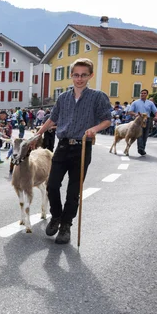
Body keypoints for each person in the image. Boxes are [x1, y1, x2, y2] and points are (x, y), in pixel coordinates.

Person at [36, 58, 112, 244]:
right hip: (62, 146)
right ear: (71, 76)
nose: (79, 79)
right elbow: (52, 119)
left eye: (83, 75)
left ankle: (66, 225)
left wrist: (94, 129)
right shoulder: (63, 98)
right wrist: (37, 135)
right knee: (52, 185)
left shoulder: (98, 96)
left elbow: (107, 119)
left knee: (73, 190)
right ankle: (56, 216)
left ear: (90, 76)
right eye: (76, 75)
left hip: (82, 147)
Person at [128, 89, 157, 156]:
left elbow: (156, 111)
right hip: (138, 120)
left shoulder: (150, 103)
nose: (142, 94)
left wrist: (156, 117)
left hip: (147, 119)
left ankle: (142, 149)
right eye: (141, 93)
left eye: (144, 93)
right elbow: (130, 111)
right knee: (139, 134)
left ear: (147, 94)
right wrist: (135, 114)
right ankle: (140, 149)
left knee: (145, 135)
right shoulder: (135, 102)